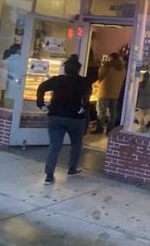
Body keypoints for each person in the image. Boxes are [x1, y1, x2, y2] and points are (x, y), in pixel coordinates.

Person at [36, 54, 91, 184]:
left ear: (65, 69)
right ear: (78, 69)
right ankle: (72, 169)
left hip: (55, 116)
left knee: (54, 146)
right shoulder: (84, 82)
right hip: (75, 118)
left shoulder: (57, 80)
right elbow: (86, 99)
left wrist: (40, 103)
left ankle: (49, 175)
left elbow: (41, 87)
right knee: (76, 144)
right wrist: (83, 108)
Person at [95, 51, 126, 134]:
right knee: (113, 113)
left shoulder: (107, 66)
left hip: (104, 92)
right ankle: (110, 129)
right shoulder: (123, 69)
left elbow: (99, 76)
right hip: (115, 94)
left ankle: (99, 129)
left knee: (101, 112)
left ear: (110, 58)